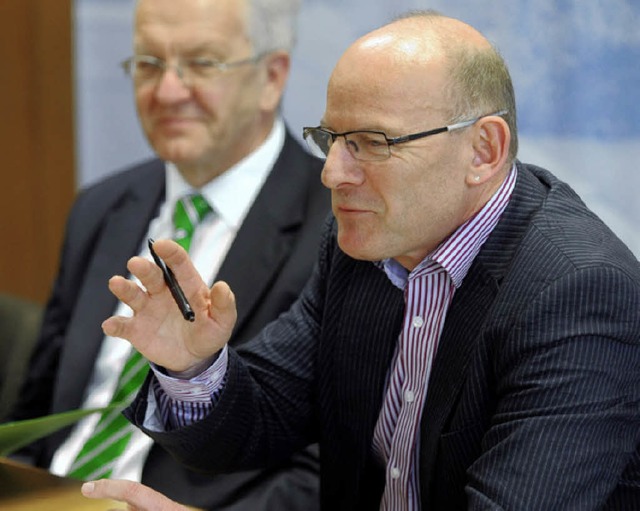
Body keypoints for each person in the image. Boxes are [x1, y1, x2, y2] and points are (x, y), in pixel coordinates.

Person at [83, 10, 640, 511]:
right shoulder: (363, 247)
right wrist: (194, 367)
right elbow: (260, 424)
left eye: (372, 143)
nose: (332, 173)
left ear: (483, 151)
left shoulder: (580, 292)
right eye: (331, 139)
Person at [8, 0, 328, 509]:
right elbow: (34, 415)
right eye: (149, 64)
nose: (168, 91)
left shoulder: (337, 226)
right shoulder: (102, 206)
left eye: (202, 63)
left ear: (271, 76)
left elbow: (331, 469)